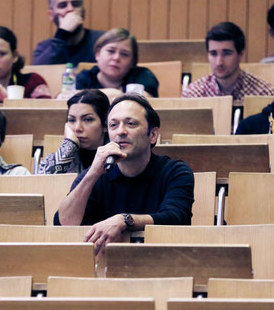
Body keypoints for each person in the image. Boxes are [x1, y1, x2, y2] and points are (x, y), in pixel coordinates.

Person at [54, 93, 194, 253]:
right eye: (113, 125)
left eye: (131, 123)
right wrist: (92, 173)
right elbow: (63, 225)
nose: (120, 131)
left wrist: (124, 219)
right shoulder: (96, 174)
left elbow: (176, 218)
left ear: (153, 135)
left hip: (161, 260)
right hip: (104, 264)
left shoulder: (175, 171)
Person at [181, 22, 274, 105]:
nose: (219, 62)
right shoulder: (193, 95)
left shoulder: (263, 93)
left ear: (240, 54)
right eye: (213, 54)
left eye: (226, 53)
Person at [38, 89, 109, 174]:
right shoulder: (57, 158)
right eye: (71, 120)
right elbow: (43, 182)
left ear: (105, 124)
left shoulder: (118, 157)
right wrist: (69, 145)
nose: (77, 128)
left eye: (87, 119)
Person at [76, 28, 159, 98]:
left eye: (124, 54)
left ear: (132, 62)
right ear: (98, 53)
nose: (116, 58)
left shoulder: (144, 76)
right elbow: (73, 98)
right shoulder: (85, 78)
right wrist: (116, 93)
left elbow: (146, 98)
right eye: (111, 51)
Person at [32, 0, 104, 65]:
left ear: (83, 12)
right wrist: (62, 33)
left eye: (75, 4)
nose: (70, 9)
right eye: (62, 5)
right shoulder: (44, 48)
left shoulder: (102, 40)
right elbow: (39, 72)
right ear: (51, 15)